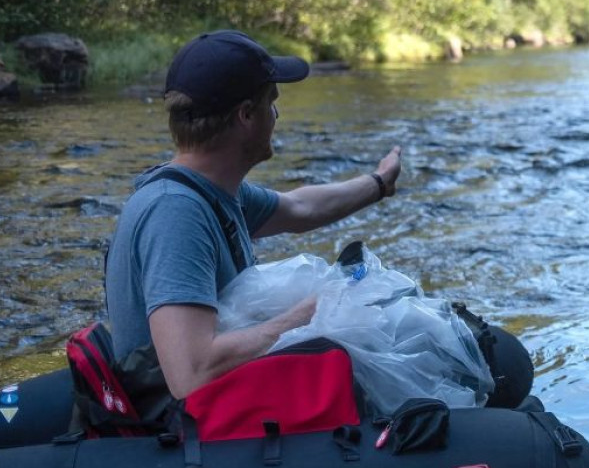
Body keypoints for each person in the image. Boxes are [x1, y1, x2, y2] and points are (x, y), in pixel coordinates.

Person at [104, 30, 404, 400]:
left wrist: (378, 183)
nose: (276, 116)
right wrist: (314, 310)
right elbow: (191, 374)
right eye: (271, 103)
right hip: (174, 430)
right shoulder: (175, 213)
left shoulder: (210, 190)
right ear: (246, 115)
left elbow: (300, 208)